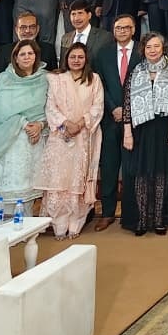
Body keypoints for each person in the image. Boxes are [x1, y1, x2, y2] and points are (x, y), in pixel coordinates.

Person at [37, 42, 104, 239]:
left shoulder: (94, 79)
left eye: (80, 57)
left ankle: (75, 223)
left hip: (84, 136)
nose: (76, 60)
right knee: (59, 180)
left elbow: (98, 106)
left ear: (86, 59)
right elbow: (50, 107)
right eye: (72, 57)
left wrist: (80, 124)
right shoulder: (57, 79)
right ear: (66, 59)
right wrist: (66, 124)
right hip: (61, 136)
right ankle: (58, 225)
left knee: (78, 180)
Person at [121, 32, 168, 236]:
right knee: (141, 175)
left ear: (163, 48)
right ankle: (141, 219)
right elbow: (127, 103)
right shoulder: (136, 70)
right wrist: (127, 132)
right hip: (140, 129)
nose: (152, 50)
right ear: (143, 49)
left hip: (164, 128)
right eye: (148, 47)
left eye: (156, 46)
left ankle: (158, 219)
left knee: (161, 174)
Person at [0, 39, 48, 216]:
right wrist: (24, 124)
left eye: (30, 53)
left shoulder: (45, 78)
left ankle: (26, 226)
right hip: (11, 138)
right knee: (11, 187)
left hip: (35, 138)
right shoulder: (6, 78)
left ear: (36, 56)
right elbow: (2, 108)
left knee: (29, 190)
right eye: (22, 54)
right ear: (16, 58)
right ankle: (5, 225)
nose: (27, 57)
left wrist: (40, 124)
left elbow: (51, 107)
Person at [94, 15, 138, 231]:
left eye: (126, 27)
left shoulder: (142, 51)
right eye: (118, 27)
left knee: (132, 169)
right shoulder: (103, 53)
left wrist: (127, 110)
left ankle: (131, 214)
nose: (122, 31)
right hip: (110, 119)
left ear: (133, 29)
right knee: (109, 168)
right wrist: (113, 108)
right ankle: (107, 212)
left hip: (136, 120)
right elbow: (99, 83)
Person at [58, 0, 116, 64]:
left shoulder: (104, 37)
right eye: (73, 14)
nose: (76, 18)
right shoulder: (65, 38)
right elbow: (63, 65)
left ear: (89, 15)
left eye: (80, 13)